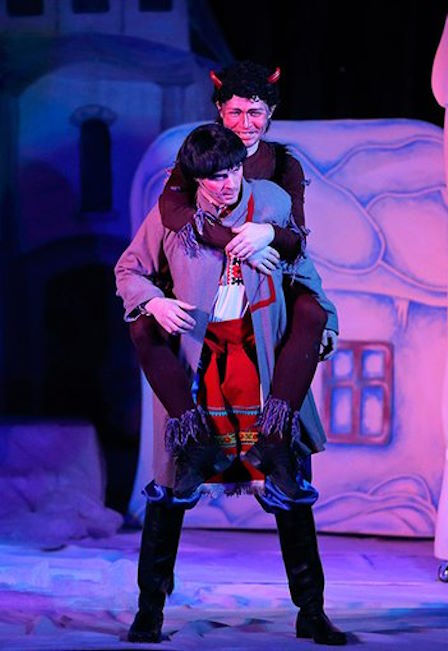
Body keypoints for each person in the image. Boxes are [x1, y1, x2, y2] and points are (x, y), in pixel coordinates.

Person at [115, 123, 347, 645]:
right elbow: (129, 270)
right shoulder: (174, 217)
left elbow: (302, 269)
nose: (227, 185)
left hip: (262, 361)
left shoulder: (270, 202)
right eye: (215, 177)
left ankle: (312, 611)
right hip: (201, 368)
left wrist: (327, 320)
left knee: (288, 481)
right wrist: (154, 300)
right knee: (171, 488)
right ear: (196, 179)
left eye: (235, 171)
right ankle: (149, 610)